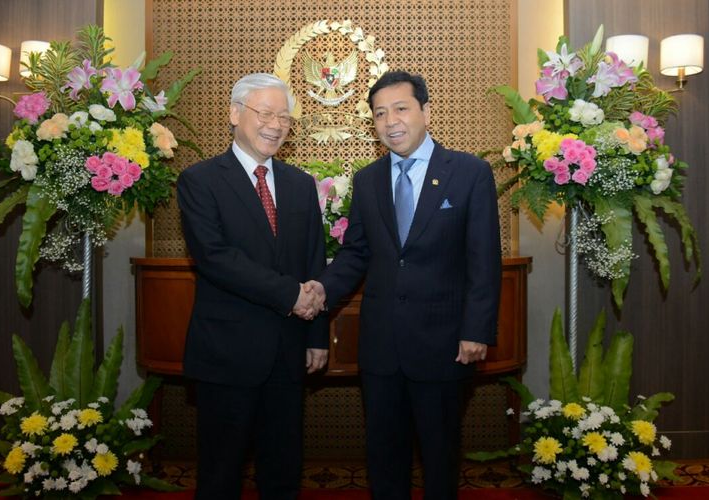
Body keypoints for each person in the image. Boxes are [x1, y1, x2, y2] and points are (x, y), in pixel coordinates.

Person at [305, 71, 502, 500]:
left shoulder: (469, 173)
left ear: (426, 112)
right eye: (379, 114)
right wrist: (321, 290)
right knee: (383, 454)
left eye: (400, 109)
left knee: (440, 453)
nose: (390, 121)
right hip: (381, 346)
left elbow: (484, 260)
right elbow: (357, 252)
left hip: (445, 342)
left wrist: (476, 330)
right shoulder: (368, 179)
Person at [177, 72, 329, 500]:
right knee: (221, 474)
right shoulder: (200, 180)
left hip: (288, 352)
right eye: (266, 113)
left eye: (285, 117)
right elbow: (216, 258)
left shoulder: (301, 184)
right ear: (234, 113)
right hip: (226, 354)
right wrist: (290, 295)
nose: (276, 124)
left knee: (282, 473)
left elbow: (314, 261)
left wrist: (317, 335)